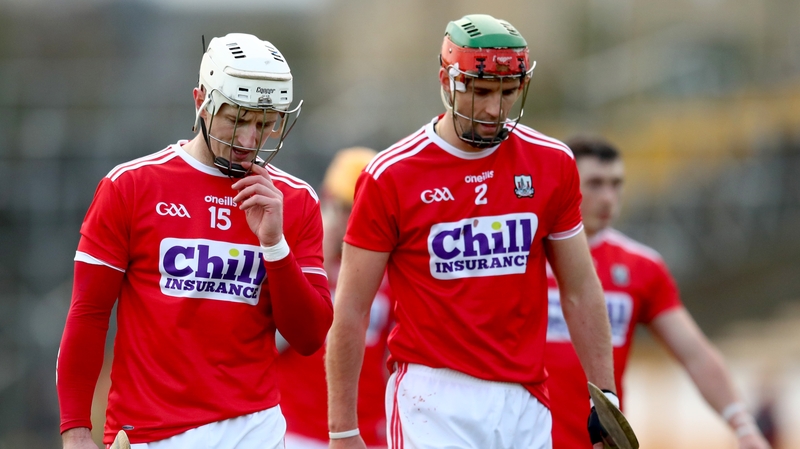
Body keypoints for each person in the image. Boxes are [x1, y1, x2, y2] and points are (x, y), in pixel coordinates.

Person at [326, 14, 618, 449]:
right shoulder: (391, 175)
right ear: (447, 81)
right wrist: (342, 430)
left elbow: (579, 290)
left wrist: (605, 396)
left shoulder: (552, 162)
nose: (494, 110)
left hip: (525, 398)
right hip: (432, 397)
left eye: (508, 92)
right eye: (481, 91)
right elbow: (351, 309)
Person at [57, 33, 333, 449]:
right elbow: (88, 314)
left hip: (255, 431)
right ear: (201, 101)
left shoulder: (293, 200)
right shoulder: (130, 186)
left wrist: (275, 245)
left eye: (264, 124)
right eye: (237, 120)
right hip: (150, 434)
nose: (248, 141)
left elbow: (309, 337)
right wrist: (76, 430)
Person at [544, 136, 771, 449]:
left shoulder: (641, 266)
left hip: (598, 442)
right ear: (567, 183)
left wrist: (744, 426)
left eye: (616, 184)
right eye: (595, 184)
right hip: (522, 439)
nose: (608, 197)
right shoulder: (524, 258)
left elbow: (695, 354)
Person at [276, 147, 393, 449]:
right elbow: (270, 343)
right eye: (346, 208)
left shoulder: (388, 270)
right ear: (326, 200)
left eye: (364, 209)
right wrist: (316, 270)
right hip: (296, 429)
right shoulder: (296, 259)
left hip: (368, 431)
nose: (353, 220)